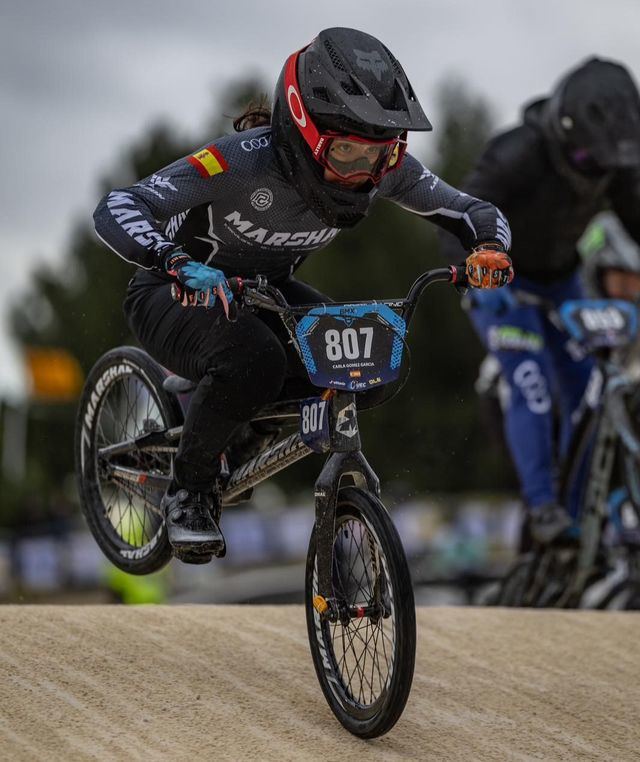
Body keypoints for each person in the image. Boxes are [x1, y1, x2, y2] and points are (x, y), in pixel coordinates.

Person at [93, 27, 513, 563]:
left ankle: (238, 427)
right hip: (172, 291)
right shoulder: (241, 161)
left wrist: (489, 249)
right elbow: (119, 206)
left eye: (379, 155)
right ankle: (189, 491)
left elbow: (475, 211)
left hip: (265, 294)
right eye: (345, 152)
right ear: (304, 132)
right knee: (253, 361)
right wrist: (172, 260)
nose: (364, 174)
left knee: (376, 354)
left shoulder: (387, 171)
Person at [440, 56, 640, 544]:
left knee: (588, 394)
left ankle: (577, 516)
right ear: (563, 133)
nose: (595, 170)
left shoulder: (612, 160)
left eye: (605, 163)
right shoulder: (517, 152)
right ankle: (543, 506)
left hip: (563, 282)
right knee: (530, 383)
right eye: (586, 160)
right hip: (501, 282)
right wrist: (480, 277)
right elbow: (455, 216)